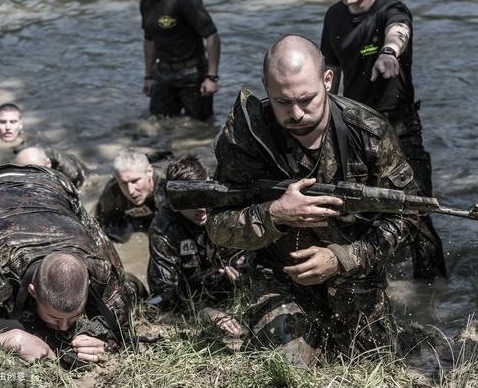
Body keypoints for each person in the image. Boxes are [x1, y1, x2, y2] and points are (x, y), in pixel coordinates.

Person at [207, 35, 436, 364]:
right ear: (265, 86)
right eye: (282, 101)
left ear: (328, 79)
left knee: (376, 365)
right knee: (284, 369)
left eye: (306, 99)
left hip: (355, 276)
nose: (296, 113)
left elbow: (407, 218)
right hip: (278, 277)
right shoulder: (246, 135)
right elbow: (217, 225)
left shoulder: (368, 132)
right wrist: (273, 214)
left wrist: (342, 258)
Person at [320, 0, 445, 278]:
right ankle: (373, 288)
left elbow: (398, 31)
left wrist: (389, 52)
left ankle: (433, 291)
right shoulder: (333, 16)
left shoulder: (392, 9)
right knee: (363, 210)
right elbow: (329, 74)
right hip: (357, 128)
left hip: (400, 126)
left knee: (418, 209)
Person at [0, 165, 135, 366]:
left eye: (73, 317)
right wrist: (7, 336)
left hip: (54, 183)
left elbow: (121, 321)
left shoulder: (99, 264)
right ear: (33, 291)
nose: (65, 327)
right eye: (55, 318)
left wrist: (101, 338)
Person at [148, 155, 248, 336]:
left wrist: (243, 269)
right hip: (190, 293)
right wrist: (204, 312)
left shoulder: (223, 204)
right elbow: (164, 293)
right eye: (191, 200)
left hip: (222, 282)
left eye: (204, 196)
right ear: (175, 200)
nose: (201, 208)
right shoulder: (163, 230)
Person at [124, 0, 221, 119]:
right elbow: (149, 39)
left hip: (193, 74)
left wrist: (211, 77)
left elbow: (212, 36)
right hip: (162, 74)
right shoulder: (145, 2)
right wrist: (148, 76)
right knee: (158, 122)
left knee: (200, 127)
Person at [95, 148, 166, 243]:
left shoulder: (167, 184)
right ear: (117, 178)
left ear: (149, 171)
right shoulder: (112, 193)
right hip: (132, 219)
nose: (130, 191)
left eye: (135, 181)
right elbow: (101, 226)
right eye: (124, 183)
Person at [14, 146, 88, 188]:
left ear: (48, 163)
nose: (29, 177)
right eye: (23, 172)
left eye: (34, 171)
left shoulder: (72, 173)